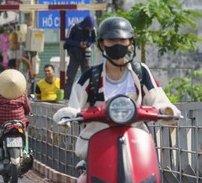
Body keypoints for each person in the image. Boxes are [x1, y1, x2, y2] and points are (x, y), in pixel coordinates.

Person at [53, 16, 180, 160]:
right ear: (102, 44)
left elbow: (158, 99)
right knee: (86, 182)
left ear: (131, 43)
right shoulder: (91, 76)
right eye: (111, 40)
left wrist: (167, 110)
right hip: (97, 146)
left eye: (122, 40)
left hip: (136, 143)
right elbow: (74, 106)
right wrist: (68, 114)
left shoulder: (140, 72)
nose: (117, 44)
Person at [0, 69, 32, 157]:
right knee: (25, 135)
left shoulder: (0, 95)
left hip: (3, 123)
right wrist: (27, 112)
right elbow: (28, 109)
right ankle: (26, 152)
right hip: (19, 122)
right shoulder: (22, 95)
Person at [64, 16, 96, 100]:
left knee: (88, 78)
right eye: (88, 27)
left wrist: (88, 45)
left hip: (85, 56)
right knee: (70, 77)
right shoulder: (74, 27)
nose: (89, 29)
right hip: (74, 55)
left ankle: (88, 98)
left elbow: (94, 41)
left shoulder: (92, 30)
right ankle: (67, 98)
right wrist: (79, 44)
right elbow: (67, 40)